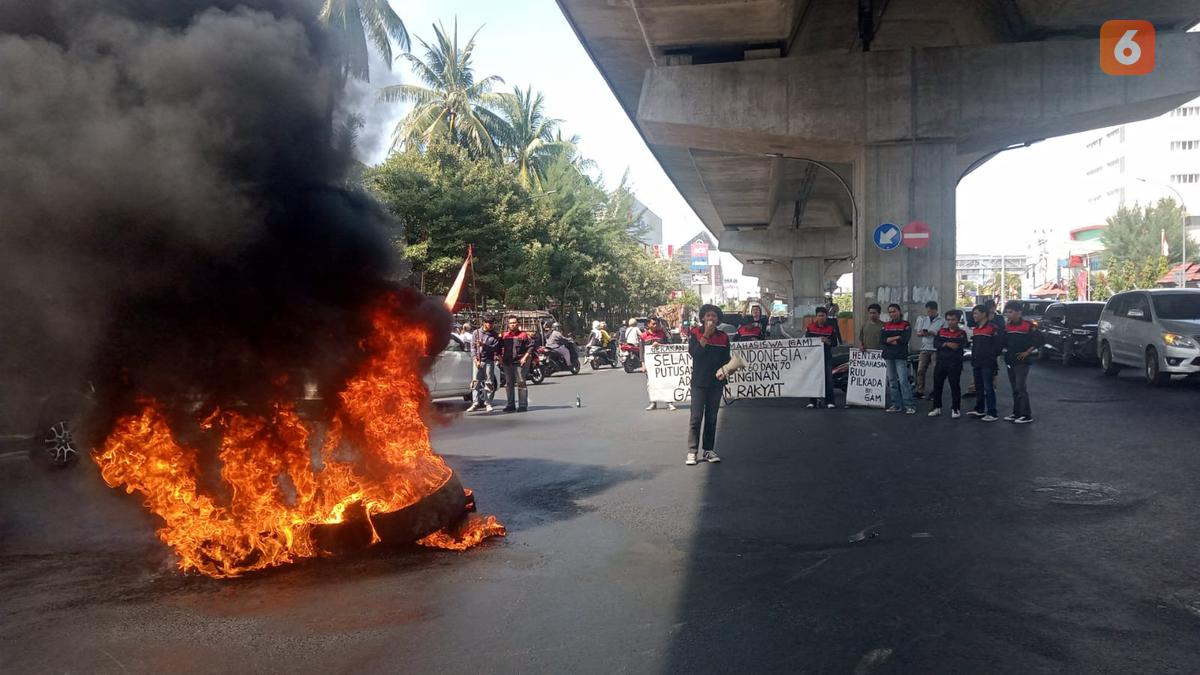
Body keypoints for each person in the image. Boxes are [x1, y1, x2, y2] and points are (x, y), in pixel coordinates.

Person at [686, 304, 730, 466]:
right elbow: (695, 354)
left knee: (711, 417)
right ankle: (692, 451)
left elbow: (727, 359)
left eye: (714, 316)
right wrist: (706, 334)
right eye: (708, 316)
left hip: (716, 383)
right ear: (703, 318)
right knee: (696, 417)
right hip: (699, 382)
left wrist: (726, 371)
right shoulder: (695, 333)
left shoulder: (723, 337)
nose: (711, 318)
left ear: (718, 319)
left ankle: (708, 450)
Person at [1002, 300, 1038, 424]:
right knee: (1014, 388)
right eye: (1007, 312)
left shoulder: (1028, 325)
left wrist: (1027, 352)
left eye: (1011, 312)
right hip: (1010, 360)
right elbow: (1004, 341)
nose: (1008, 315)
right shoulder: (1007, 326)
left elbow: (1038, 340)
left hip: (1022, 362)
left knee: (1020, 387)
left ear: (1019, 312)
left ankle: (1026, 415)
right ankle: (1016, 412)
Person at [966, 305, 1002, 421]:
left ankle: (992, 412)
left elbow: (998, 346)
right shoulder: (976, 329)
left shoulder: (993, 328)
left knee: (988, 387)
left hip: (988, 362)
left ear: (984, 314)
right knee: (979, 386)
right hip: (977, 361)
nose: (974, 316)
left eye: (976, 313)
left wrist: (991, 356)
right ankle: (979, 409)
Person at [928, 309, 967, 418]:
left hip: (954, 364)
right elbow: (936, 343)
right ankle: (937, 407)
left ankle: (955, 409)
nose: (950, 322)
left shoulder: (962, 333)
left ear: (958, 320)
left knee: (954, 386)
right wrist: (947, 343)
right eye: (948, 319)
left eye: (953, 319)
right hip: (941, 362)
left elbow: (957, 346)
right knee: (937, 385)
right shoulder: (941, 331)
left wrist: (943, 343)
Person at [881, 303, 916, 414]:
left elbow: (904, 340)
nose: (892, 314)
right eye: (890, 312)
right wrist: (896, 337)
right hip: (888, 356)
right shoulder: (885, 325)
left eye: (894, 311)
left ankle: (909, 405)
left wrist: (889, 339)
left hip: (900, 356)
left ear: (899, 312)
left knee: (903, 381)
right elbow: (882, 340)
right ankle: (896, 405)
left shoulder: (906, 325)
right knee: (891, 381)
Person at [805, 305, 838, 409]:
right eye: (819, 315)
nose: (821, 317)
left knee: (828, 379)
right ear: (816, 316)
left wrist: (827, 341)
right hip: (813, 358)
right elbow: (806, 342)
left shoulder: (830, 328)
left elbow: (834, 343)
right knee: (813, 378)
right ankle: (812, 401)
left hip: (826, 356)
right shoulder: (810, 327)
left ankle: (830, 401)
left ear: (826, 316)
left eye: (823, 316)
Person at [641, 318, 677, 411]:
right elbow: (642, 351)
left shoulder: (663, 333)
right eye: (653, 324)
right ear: (648, 324)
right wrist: (643, 364)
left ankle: (669, 402)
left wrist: (660, 345)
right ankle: (653, 403)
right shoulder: (643, 336)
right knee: (651, 384)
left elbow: (670, 345)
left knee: (666, 383)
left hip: (663, 365)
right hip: (651, 366)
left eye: (657, 324)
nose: (655, 325)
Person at [466, 316, 500, 412]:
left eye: (492, 322)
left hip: (489, 361)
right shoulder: (476, 333)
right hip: (477, 361)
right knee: (475, 382)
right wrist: (475, 360)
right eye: (488, 322)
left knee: (489, 382)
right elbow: (472, 348)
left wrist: (484, 345)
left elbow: (495, 348)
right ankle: (475, 403)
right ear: (483, 322)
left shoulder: (495, 335)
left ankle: (488, 403)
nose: (490, 324)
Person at [499, 315, 533, 412]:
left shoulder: (523, 335)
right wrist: (499, 358)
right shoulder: (504, 335)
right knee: (509, 384)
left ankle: (522, 405)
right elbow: (498, 348)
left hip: (518, 363)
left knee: (521, 383)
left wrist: (524, 358)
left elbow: (530, 347)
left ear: (517, 323)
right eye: (511, 323)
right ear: (508, 324)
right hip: (507, 363)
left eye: (514, 322)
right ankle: (510, 405)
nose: (513, 324)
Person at [914, 301, 945, 398]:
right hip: (925, 348)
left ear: (936, 310)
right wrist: (922, 333)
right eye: (928, 311)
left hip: (936, 348)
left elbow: (943, 334)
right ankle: (920, 390)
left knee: (936, 371)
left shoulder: (942, 321)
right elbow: (918, 333)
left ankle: (935, 391)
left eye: (931, 311)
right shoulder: (923, 319)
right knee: (920, 370)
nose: (929, 313)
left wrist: (933, 333)